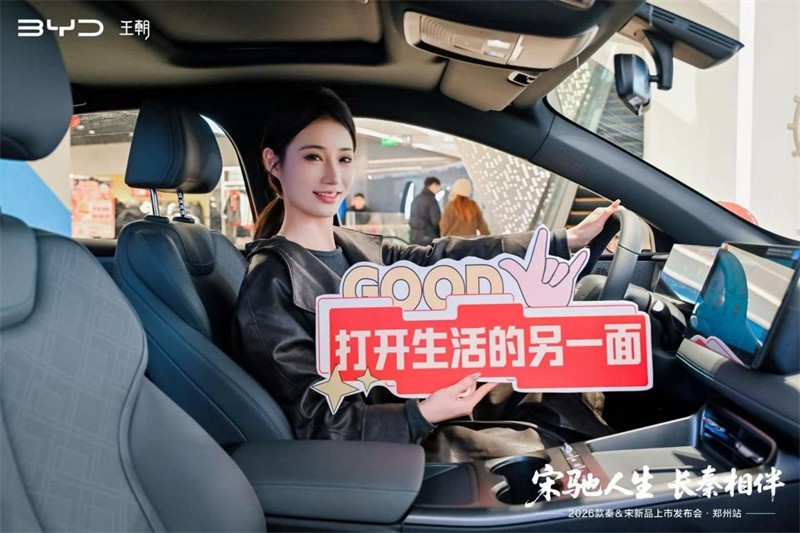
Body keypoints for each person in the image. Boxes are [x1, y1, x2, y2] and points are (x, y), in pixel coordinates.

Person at [233, 86, 620, 444]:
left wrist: (562, 240)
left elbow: (441, 258)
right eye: (313, 157)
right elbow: (318, 421)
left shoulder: (357, 246)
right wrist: (422, 414)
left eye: (345, 158)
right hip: (403, 447)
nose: (334, 176)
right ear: (273, 162)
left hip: (435, 406)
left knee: (561, 386)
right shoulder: (271, 281)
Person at [408, 176, 441, 245]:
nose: (438, 189)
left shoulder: (416, 198)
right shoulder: (431, 200)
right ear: (433, 185)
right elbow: (436, 221)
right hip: (428, 237)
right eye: (438, 186)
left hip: (414, 236)